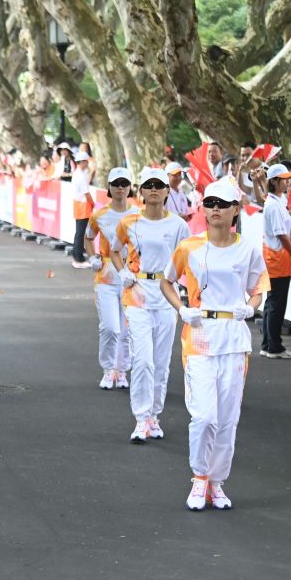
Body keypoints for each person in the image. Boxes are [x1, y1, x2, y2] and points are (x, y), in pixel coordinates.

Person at [161, 181, 268, 510]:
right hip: (200, 335)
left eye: (223, 203)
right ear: (203, 208)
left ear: (236, 209)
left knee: (227, 418)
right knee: (204, 416)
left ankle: (217, 482)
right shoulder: (190, 246)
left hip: (234, 339)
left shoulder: (248, 247)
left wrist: (251, 307)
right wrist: (181, 308)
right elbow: (167, 281)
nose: (215, 208)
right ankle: (199, 477)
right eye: (210, 203)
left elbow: (258, 287)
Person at [111, 168, 190, 443]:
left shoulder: (179, 225)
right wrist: (122, 272)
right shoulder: (130, 223)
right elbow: (114, 250)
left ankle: (155, 416)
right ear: (141, 192)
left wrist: (189, 298)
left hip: (167, 296)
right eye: (148, 185)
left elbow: (188, 262)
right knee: (142, 360)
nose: (154, 189)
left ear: (168, 191)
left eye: (159, 185)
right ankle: (141, 418)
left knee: (160, 362)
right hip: (137, 296)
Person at [84, 167, 139, 389]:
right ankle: (108, 369)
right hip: (106, 278)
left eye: (124, 183)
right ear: (109, 187)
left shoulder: (138, 214)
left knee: (126, 330)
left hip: (132, 278)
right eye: (116, 184)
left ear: (130, 187)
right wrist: (93, 257)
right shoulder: (100, 215)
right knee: (110, 328)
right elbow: (88, 237)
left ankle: (122, 370)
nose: (120, 188)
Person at [260, 163, 291, 358]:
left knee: (271, 303)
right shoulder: (273, 205)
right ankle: (274, 347)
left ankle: (268, 344)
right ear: (274, 181)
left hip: (275, 259)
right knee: (276, 304)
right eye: (284, 179)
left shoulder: (276, 201)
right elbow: (282, 235)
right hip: (278, 259)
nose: (287, 182)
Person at [71, 151, 94, 268]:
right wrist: (92, 203)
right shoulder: (80, 176)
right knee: (81, 233)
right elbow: (86, 192)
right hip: (83, 205)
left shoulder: (77, 173)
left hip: (78, 204)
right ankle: (78, 259)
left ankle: (77, 256)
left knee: (79, 233)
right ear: (83, 162)